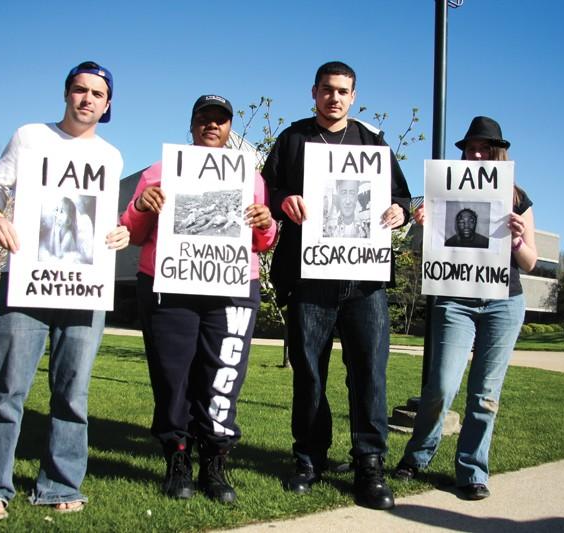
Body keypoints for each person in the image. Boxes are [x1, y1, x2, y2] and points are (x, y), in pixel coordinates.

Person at [0, 61, 129, 519]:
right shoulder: (30, 136)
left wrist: (119, 234)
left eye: (97, 94)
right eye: (80, 90)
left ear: (108, 104)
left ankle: (59, 485)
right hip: (24, 283)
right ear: (66, 93)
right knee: (7, 388)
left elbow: (99, 218)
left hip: (83, 288)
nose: (87, 99)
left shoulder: (111, 157)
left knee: (73, 392)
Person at [262, 61, 411, 510]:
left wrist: (399, 212)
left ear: (354, 96)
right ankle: (309, 458)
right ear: (314, 92)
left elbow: (400, 196)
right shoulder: (292, 139)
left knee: (369, 374)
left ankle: (370, 463)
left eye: (343, 91)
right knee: (309, 374)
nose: (335, 98)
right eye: (327, 90)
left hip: (364, 281)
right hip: (309, 279)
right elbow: (262, 193)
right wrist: (281, 200)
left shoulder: (373, 142)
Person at [120, 94, 277, 504]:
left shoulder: (251, 177)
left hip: (232, 288)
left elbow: (261, 242)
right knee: (172, 378)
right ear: (191, 125)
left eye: (220, 120)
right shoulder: (160, 171)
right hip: (169, 286)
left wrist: (267, 223)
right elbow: (132, 233)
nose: (212, 126)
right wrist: (140, 206)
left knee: (223, 376)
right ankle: (177, 458)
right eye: (204, 119)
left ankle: (215, 460)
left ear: (229, 128)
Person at [395, 115, 537, 500]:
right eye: (469, 148)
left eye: (482, 148)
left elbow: (530, 263)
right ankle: (416, 456)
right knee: (440, 385)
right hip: (455, 300)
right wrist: (422, 225)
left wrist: (519, 240)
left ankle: (472, 471)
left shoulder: (517, 198)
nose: (475, 154)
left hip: (504, 303)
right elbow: (422, 254)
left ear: (496, 153)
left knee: (485, 394)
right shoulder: (445, 192)